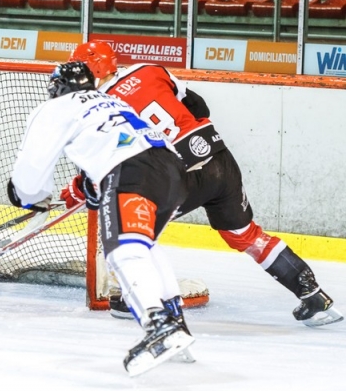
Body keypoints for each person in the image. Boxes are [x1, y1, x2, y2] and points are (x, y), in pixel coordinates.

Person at [67, 41, 343, 327]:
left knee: (135, 231)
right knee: (244, 234)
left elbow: (103, 170)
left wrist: (76, 190)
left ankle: (140, 299)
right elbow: (198, 106)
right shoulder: (149, 69)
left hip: (176, 173)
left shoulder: (99, 107)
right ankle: (313, 295)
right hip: (217, 157)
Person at [7, 62, 193, 376]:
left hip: (131, 172)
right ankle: (174, 321)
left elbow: (32, 171)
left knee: (123, 251)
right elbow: (116, 138)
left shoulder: (55, 108)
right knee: (143, 246)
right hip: (173, 172)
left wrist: (26, 197)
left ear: (57, 87)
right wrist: (93, 183)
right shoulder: (111, 100)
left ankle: (160, 326)